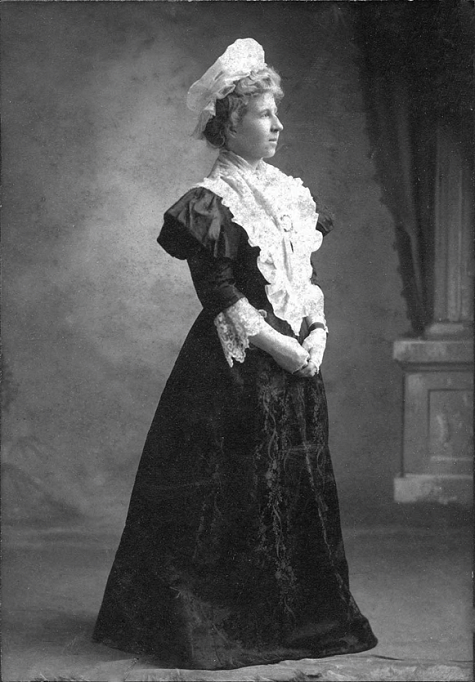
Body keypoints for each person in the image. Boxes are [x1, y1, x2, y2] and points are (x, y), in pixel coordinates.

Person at [92, 38, 378, 670]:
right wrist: (278, 346)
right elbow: (217, 292)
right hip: (239, 367)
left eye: (277, 114)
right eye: (264, 115)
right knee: (233, 496)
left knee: (294, 491)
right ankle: (234, 619)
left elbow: (303, 281)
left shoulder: (292, 195)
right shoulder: (208, 202)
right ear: (230, 122)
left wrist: (317, 335)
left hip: (298, 366)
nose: (278, 125)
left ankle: (300, 613)